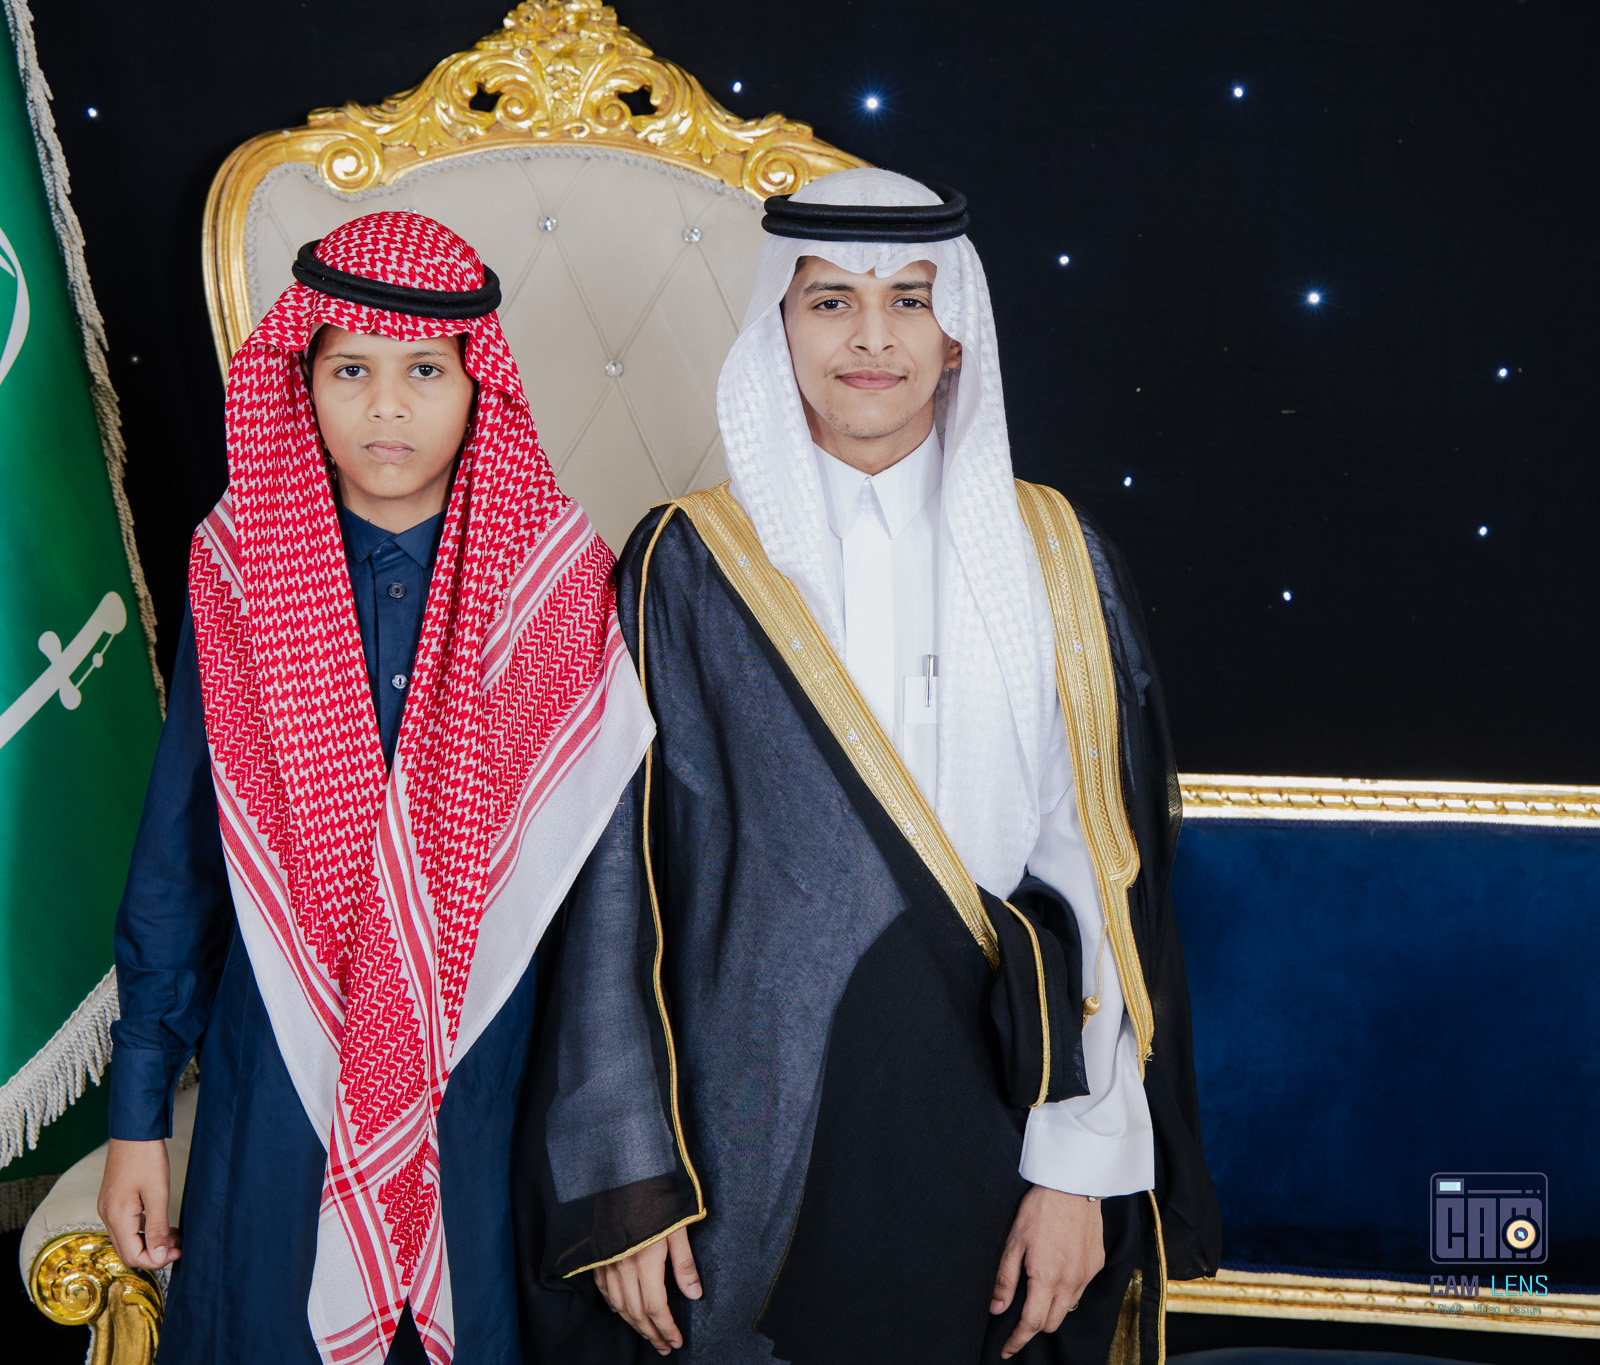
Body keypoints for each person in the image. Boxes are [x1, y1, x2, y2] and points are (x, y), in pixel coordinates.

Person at [516, 169, 1218, 1364]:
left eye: (908, 300)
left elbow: (1097, 882)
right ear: (776, 328)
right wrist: (627, 1178)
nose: (871, 339)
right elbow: (612, 890)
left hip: (1001, 1115)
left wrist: (1077, 1171)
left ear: (956, 335)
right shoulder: (690, 562)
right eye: (830, 301)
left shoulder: (1054, 556)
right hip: (744, 1130)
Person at [98, 212, 652, 1365]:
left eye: (423, 372)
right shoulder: (241, 568)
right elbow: (178, 853)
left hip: (490, 1065)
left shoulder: (555, 585)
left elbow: (613, 892)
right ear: (300, 383)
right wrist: (137, 1118)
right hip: (280, 1062)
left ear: (478, 385)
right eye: (350, 370)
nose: (386, 406)